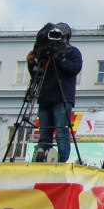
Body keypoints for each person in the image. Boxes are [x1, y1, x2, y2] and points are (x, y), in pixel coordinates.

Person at [26, 22, 83, 163]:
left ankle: (62, 160)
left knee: (61, 130)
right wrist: (31, 63)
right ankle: (41, 156)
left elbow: (74, 68)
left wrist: (58, 58)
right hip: (45, 97)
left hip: (62, 97)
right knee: (44, 131)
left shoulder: (72, 51)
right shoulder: (45, 52)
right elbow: (37, 76)